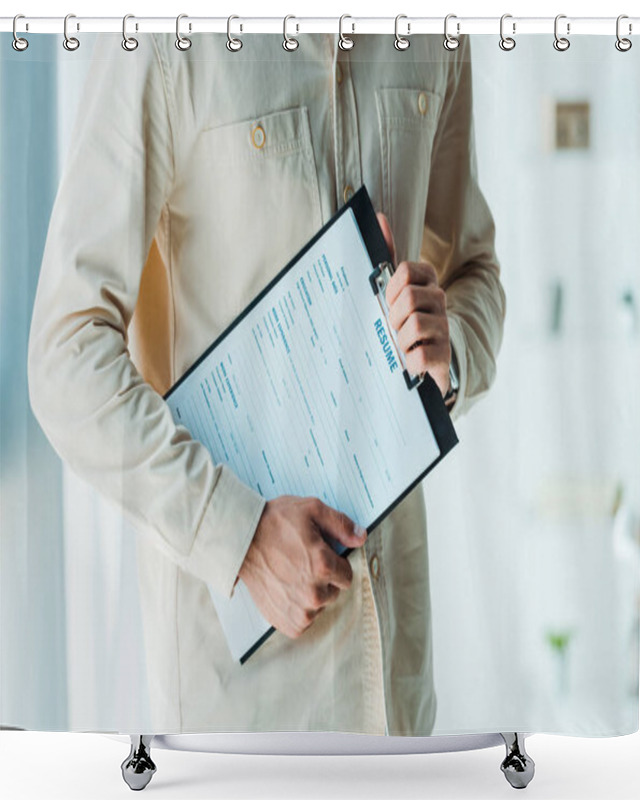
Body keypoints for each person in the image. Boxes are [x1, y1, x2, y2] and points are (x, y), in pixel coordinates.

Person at [28, 31, 505, 736]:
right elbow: (65, 354)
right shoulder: (159, 38)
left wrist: (450, 346)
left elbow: (474, 272)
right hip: (240, 695)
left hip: (398, 682)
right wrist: (236, 532)